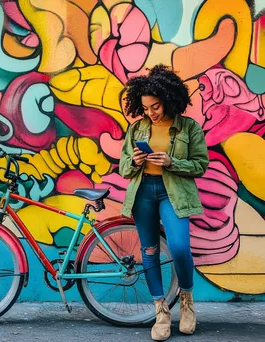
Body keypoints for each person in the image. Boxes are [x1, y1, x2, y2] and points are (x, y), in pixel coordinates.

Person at [119, 64, 209, 341]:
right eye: (146, 108)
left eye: (155, 106)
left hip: (174, 193)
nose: (151, 113)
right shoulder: (138, 129)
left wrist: (172, 162)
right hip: (143, 192)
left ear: (169, 100)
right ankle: (161, 311)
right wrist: (134, 162)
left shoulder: (188, 127)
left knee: (180, 248)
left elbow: (200, 165)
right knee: (148, 252)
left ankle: (187, 302)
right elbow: (123, 167)